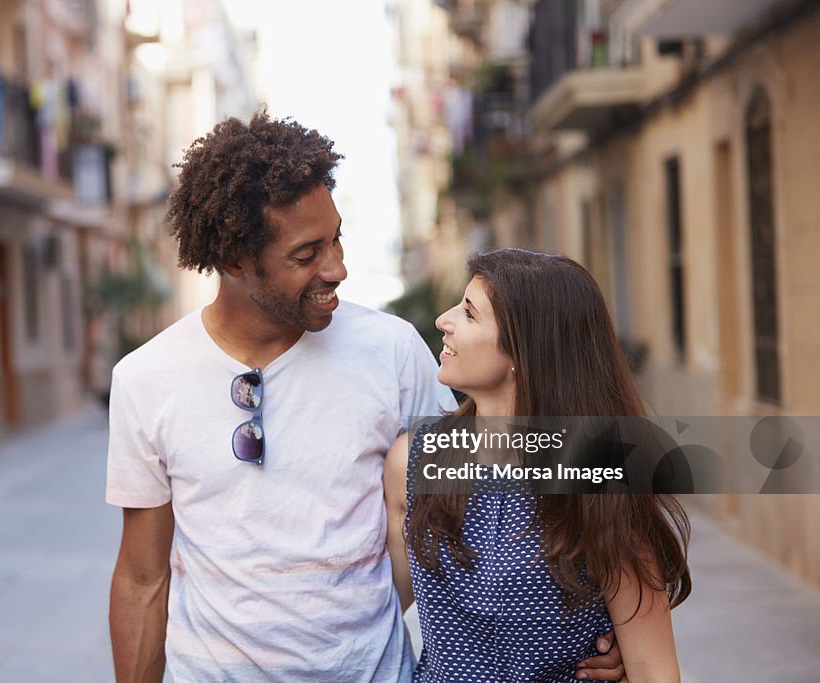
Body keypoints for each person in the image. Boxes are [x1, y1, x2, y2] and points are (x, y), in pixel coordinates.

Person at [107, 113, 626, 682]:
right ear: (234, 261)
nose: (338, 268)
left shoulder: (392, 350)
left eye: (337, 240)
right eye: (307, 255)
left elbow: (519, 465)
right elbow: (141, 578)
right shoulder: (145, 378)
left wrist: (615, 628)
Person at [384, 248, 691, 682]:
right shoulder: (412, 462)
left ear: (523, 352)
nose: (444, 320)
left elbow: (654, 670)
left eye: (470, 314)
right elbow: (380, 608)